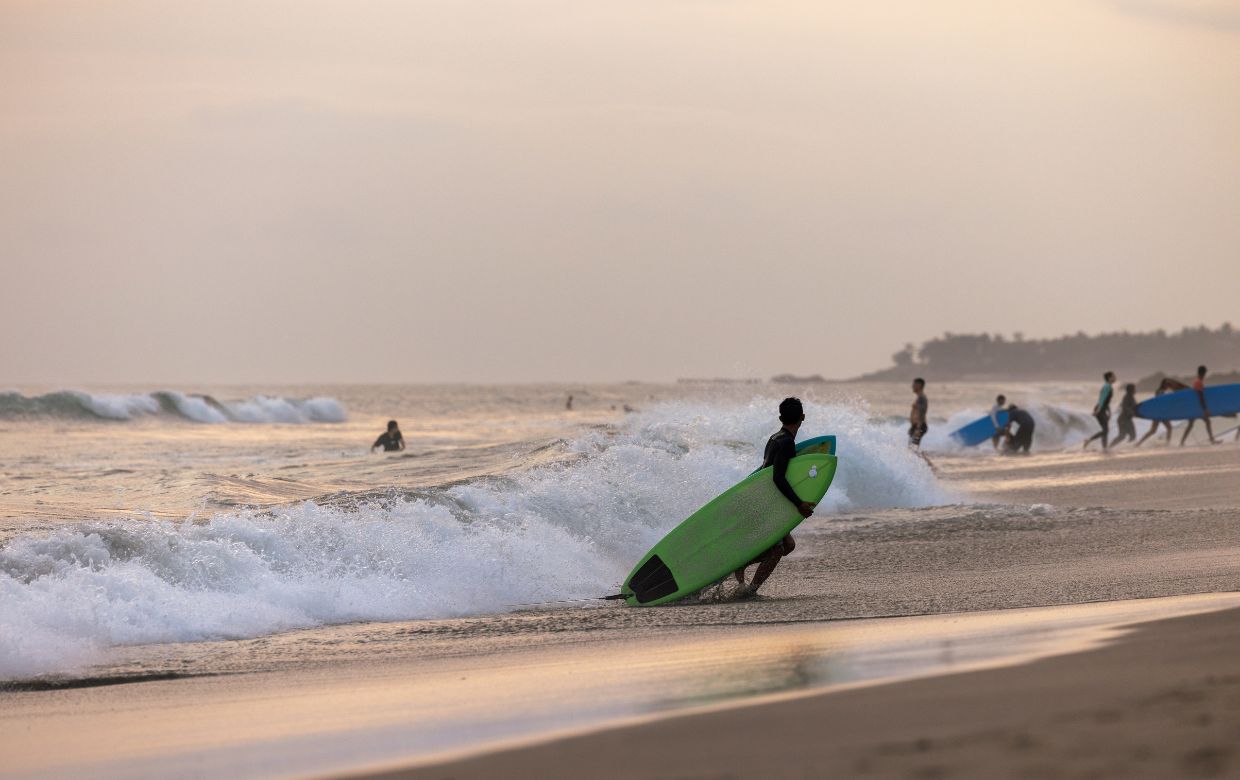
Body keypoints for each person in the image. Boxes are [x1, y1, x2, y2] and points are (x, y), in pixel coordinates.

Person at [733, 397, 815, 598]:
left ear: (780, 417)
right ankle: (750, 590)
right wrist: (799, 504)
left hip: (761, 496)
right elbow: (778, 478)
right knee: (779, 549)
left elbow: (764, 471)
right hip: (767, 500)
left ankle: (742, 564)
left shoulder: (775, 438)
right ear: (803, 417)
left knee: (788, 545)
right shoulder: (786, 442)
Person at [1136, 377, 1187, 447]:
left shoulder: (1161, 391)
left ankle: (1139, 443)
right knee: (1154, 430)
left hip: (1160, 413)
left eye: (1169, 385)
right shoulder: (1160, 391)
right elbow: (1160, 402)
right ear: (1164, 385)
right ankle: (1139, 443)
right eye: (1167, 384)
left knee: (1163, 428)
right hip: (1158, 414)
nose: (1168, 386)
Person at [1181, 365, 1219, 446]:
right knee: (1206, 422)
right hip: (1197, 408)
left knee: (1191, 424)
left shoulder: (1197, 381)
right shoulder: (1198, 382)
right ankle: (1212, 440)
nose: (1205, 375)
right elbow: (1200, 397)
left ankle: (1182, 442)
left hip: (1194, 407)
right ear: (1202, 373)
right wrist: (1205, 409)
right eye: (1205, 373)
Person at [1083, 371, 1115, 451]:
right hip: (1100, 409)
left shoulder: (1109, 386)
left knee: (1105, 430)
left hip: (1103, 409)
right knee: (1105, 430)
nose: (1115, 378)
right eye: (1113, 376)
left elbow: (1106, 401)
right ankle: (1089, 440)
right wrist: (1099, 410)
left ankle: (1104, 447)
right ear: (1109, 378)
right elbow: (1102, 399)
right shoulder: (1107, 386)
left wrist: (1109, 411)